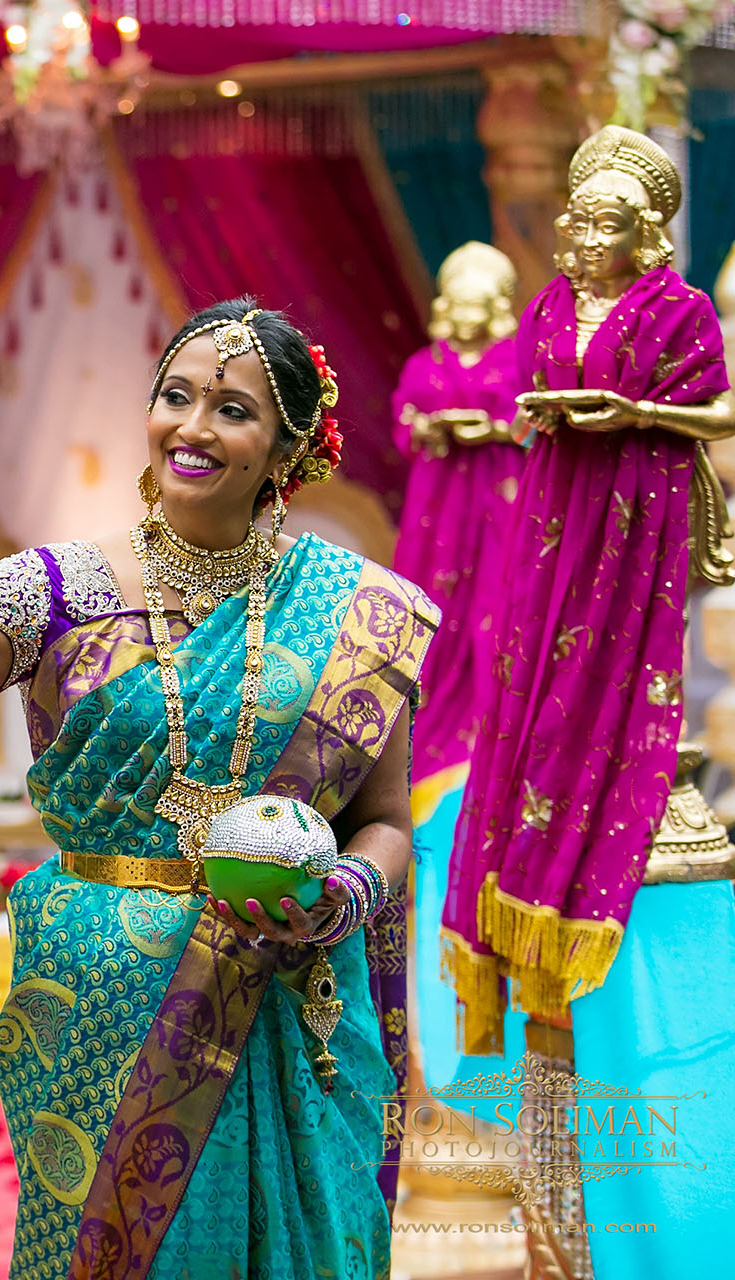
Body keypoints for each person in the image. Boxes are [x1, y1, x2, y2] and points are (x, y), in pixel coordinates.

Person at [0, 299, 435, 1280]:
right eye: (176, 396)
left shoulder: (360, 611)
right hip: (102, 998)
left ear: (288, 445)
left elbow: (386, 822)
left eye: (232, 408)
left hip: (282, 991)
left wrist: (343, 896)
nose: (192, 426)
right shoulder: (57, 590)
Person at [443, 125, 735, 1279]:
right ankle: (555, 1241)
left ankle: (621, 793)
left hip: (636, 520)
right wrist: (548, 414)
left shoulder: (680, 314)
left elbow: (719, 414)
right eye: (574, 216)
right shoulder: (555, 301)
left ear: (649, 231)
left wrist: (636, 418)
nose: (579, 236)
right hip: (554, 523)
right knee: (529, 689)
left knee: (616, 692)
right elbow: (524, 401)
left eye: (603, 221)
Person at [388, 241, 530, 1092]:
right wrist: (438, 430)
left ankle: (495, 727)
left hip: (499, 504)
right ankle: (437, 737)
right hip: (441, 511)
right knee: (438, 618)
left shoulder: (514, 359)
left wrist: (492, 427)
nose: (472, 314)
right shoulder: (425, 361)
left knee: (498, 618)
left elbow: (529, 420)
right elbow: (405, 421)